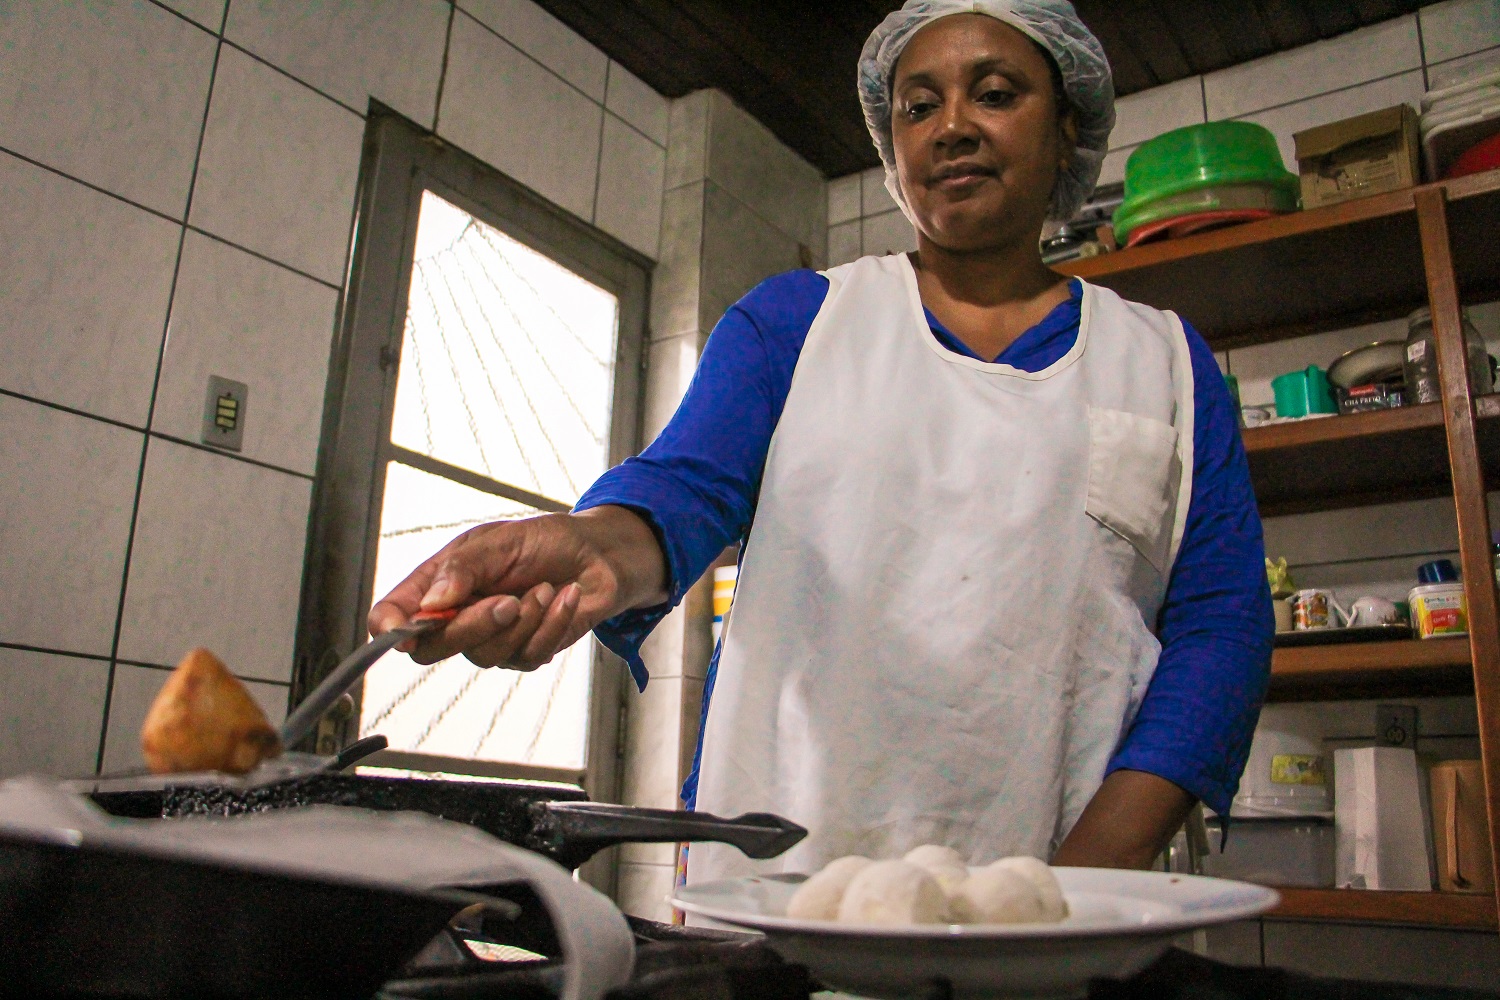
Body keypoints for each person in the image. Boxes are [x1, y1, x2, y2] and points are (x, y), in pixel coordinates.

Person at [369, 0, 1272, 883]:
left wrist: (1081, 888)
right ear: (894, 147)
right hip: (784, 885)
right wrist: (585, 550)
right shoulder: (800, 320)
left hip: (1063, 885)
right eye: (919, 106)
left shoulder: (1163, 362)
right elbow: (684, 492)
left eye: (994, 93)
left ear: (1068, 128)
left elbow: (1219, 629)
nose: (951, 126)